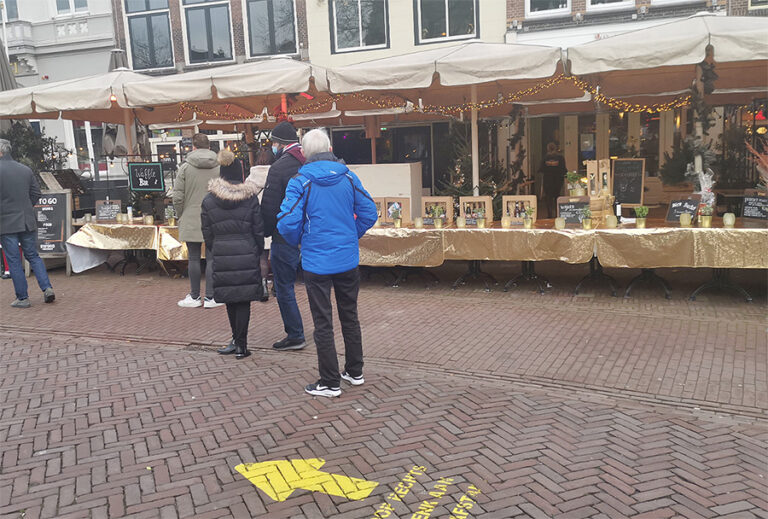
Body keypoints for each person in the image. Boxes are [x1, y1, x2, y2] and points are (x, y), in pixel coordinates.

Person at [277, 129, 377, 398]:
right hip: (346, 259)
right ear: (330, 147)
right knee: (350, 316)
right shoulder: (348, 176)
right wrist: (350, 234)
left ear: (305, 153)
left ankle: (330, 381)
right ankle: (354, 371)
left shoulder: (300, 181)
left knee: (323, 322)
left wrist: (302, 240)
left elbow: (286, 222)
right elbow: (370, 212)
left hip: (317, 261)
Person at [201, 150, 264, 359]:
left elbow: (207, 232)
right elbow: (258, 229)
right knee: (243, 300)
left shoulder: (209, 200)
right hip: (246, 251)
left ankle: (236, 341)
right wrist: (257, 250)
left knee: (230, 298)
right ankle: (241, 345)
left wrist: (216, 248)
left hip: (222, 252)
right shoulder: (250, 198)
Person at [261, 122, 307, 351]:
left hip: (285, 236)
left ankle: (296, 334)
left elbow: (269, 207)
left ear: (279, 143)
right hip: (312, 235)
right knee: (318, 286)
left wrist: (265, 231)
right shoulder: (311, 161)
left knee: (284, 286)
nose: (273, 147)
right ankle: (322, 327)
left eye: (274, 143)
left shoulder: (279, 167)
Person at [0, 138, 55, 308]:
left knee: (14, 260)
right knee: (33, 255)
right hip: (27, 219)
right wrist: (26, 207)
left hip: (6, 222)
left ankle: (23, 298)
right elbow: (36, 193)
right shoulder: (25, 169)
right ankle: (47, 288)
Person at [172, 133, 222, 309]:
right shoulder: (219, 166)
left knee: (193, 257)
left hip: (191, 216)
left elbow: (177, 196)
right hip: (214, 217)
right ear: (209, 146)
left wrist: (181, 213)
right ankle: (210, 297)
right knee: (211, 258)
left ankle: (194, 296)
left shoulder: (185, 167)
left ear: (193, 147)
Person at [540, 142, 567, 218]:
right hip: (557, 180)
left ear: (548, 149)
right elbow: (564, 169)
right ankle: (557, 213)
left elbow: (541, 169)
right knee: (557, 196)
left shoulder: (545, 158)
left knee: (548, 197)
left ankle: (549, 214)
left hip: (548, 180)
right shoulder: (561, 158)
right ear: (555, 148)